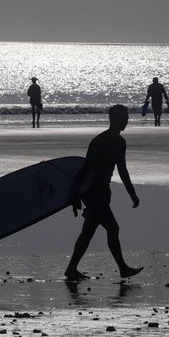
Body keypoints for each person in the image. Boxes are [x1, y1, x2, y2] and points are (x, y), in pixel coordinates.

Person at [65, 104, 143, 280]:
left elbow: (122, 170)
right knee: (113, 228)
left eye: (127, 117)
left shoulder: (120, 142)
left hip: (103, 191)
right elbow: (84, 169)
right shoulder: (100, 141)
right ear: (113, 119)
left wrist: (132, 193)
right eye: (123, 117)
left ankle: (71, 269)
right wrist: (74, 194)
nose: (126, 121)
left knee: (88, 232)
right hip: (92, 192)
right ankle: (123, 268)